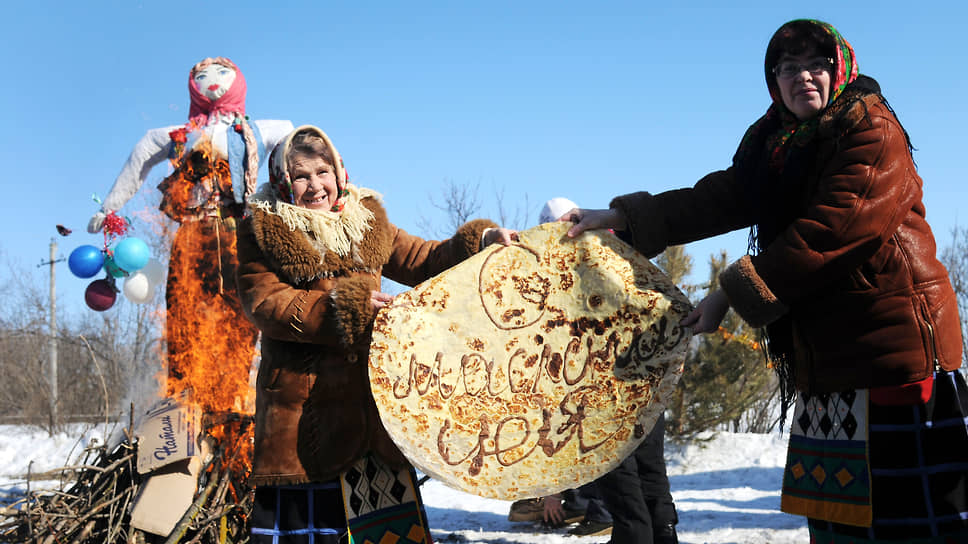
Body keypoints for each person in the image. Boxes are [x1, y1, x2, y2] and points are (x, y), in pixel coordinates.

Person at [565, 19, 966, 543]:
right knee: (838, 524)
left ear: (839, 68)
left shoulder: (870, 128)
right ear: (774, 81)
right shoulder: (775, 143)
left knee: (910, 524)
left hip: (893, 357)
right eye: (790, 67)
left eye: (817, 64)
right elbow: (720, 197)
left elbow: (831, 229)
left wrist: (730, 291)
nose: (805, 77)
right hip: (829, 362)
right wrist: (623, 218)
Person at [236, 125, 517, 543]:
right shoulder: (264, 229)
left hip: (371, 412)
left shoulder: (366, 221)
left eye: (322, 172)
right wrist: (341, 308)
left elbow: (424, 258)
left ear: (339, 172)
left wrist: (481, 242)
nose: (315, 186)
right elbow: (266, 303)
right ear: (282, 182)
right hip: (304, 418)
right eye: (301, 177)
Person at [87, 57, 293, 409]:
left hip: (237, 235)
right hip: (191, 237)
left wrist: (322, 179)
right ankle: (183, 406)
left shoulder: (256, 130)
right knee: (183, 319)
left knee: (240, 321)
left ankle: (232, 404)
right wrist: (109, 207)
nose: (212, 81)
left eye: (222, 74)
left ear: (237, 82)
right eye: (202, 76)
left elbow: (296, 136)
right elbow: (142, 153)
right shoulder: (178, 135)